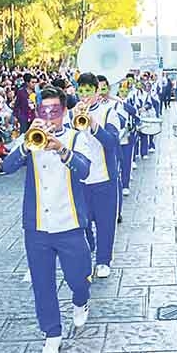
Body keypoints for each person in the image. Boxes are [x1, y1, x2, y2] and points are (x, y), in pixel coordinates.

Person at [1, 85, 93, 353]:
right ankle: (52, 333)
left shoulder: (77, 137)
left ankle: (81, 300)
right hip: (37, 225)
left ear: (64, 111)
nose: (49, 116)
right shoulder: (30, 138)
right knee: (43, 283)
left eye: (55, 111)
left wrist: (61, 149)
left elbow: (85, 170)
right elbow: (6, 167)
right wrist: (27, 144)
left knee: (79, 277)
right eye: (44, 111)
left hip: (71, 222)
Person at [75, 73, 121, 279]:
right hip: (79, 179)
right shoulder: (70, 115)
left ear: (96, 92)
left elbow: (112, 142)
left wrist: (93, 125)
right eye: (81, 91)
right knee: (81, 221)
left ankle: (104, 260)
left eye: (88, 91)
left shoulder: (108, 111)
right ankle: (89, 246)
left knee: (105, 222)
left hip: (104, 177)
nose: (84, 96)